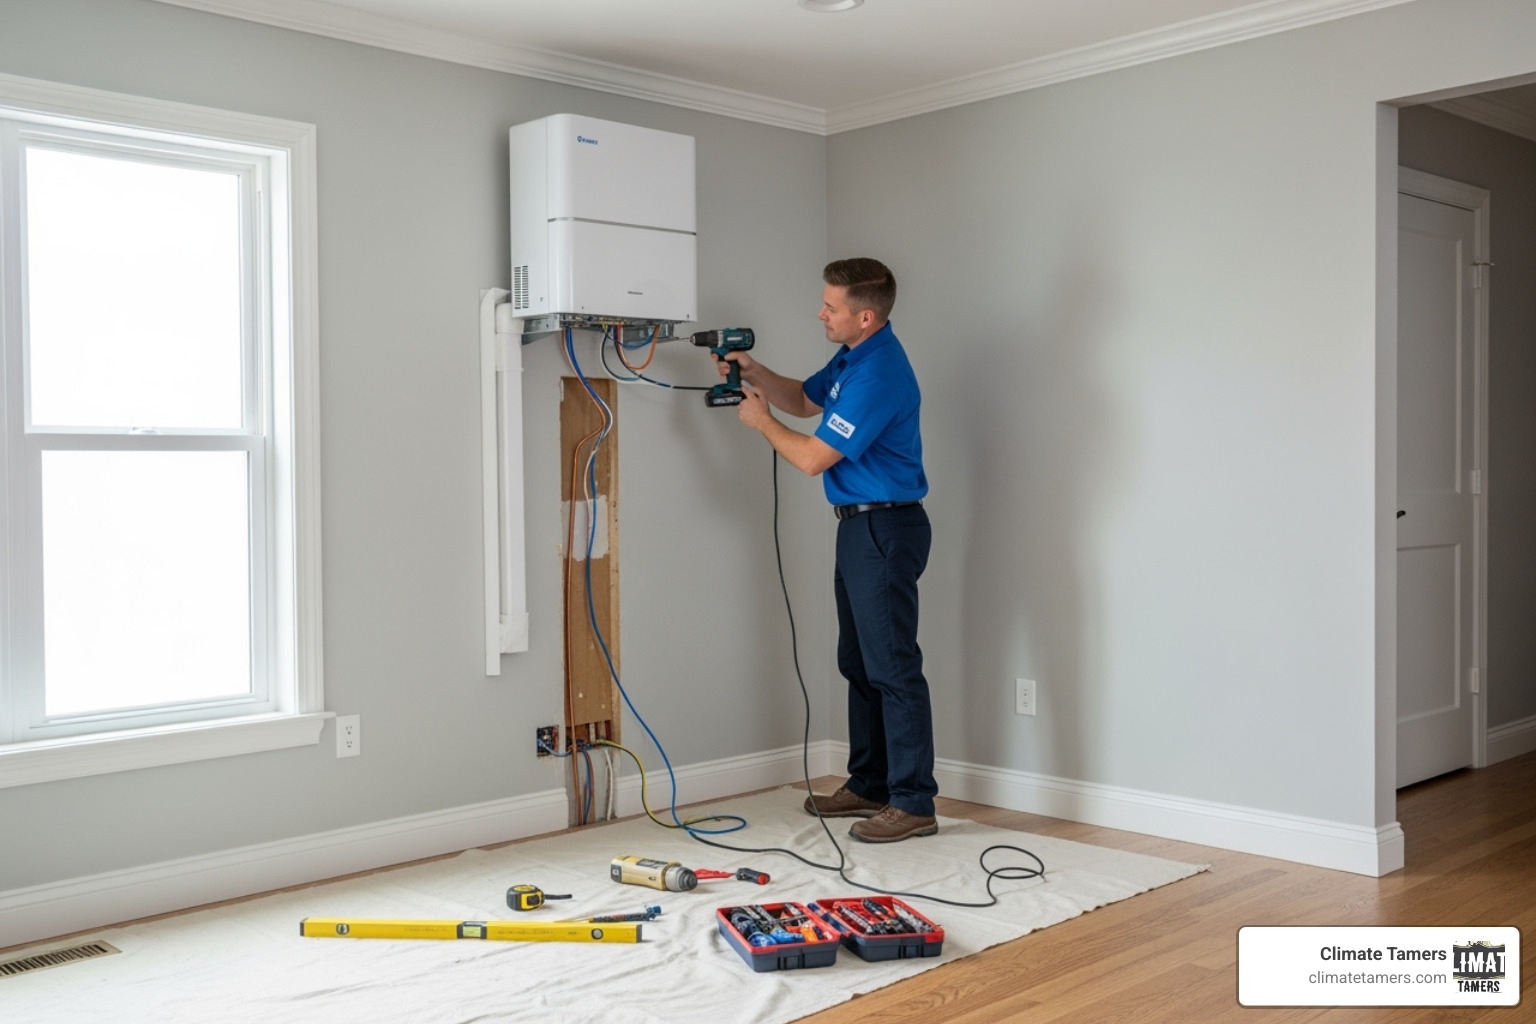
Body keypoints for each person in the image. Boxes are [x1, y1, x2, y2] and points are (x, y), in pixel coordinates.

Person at [719, 257, 937, 843]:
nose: (821, 313)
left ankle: (914, 801)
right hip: (859, 527)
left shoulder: (878, 375)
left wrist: (760, 422)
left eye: (831, 307)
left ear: (864, 316)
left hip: (886, 529)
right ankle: (869, 783)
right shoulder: (854, 357)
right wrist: (756, 371)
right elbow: (807, 398)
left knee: (893, 668)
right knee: (859, 662)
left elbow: (814, 457)